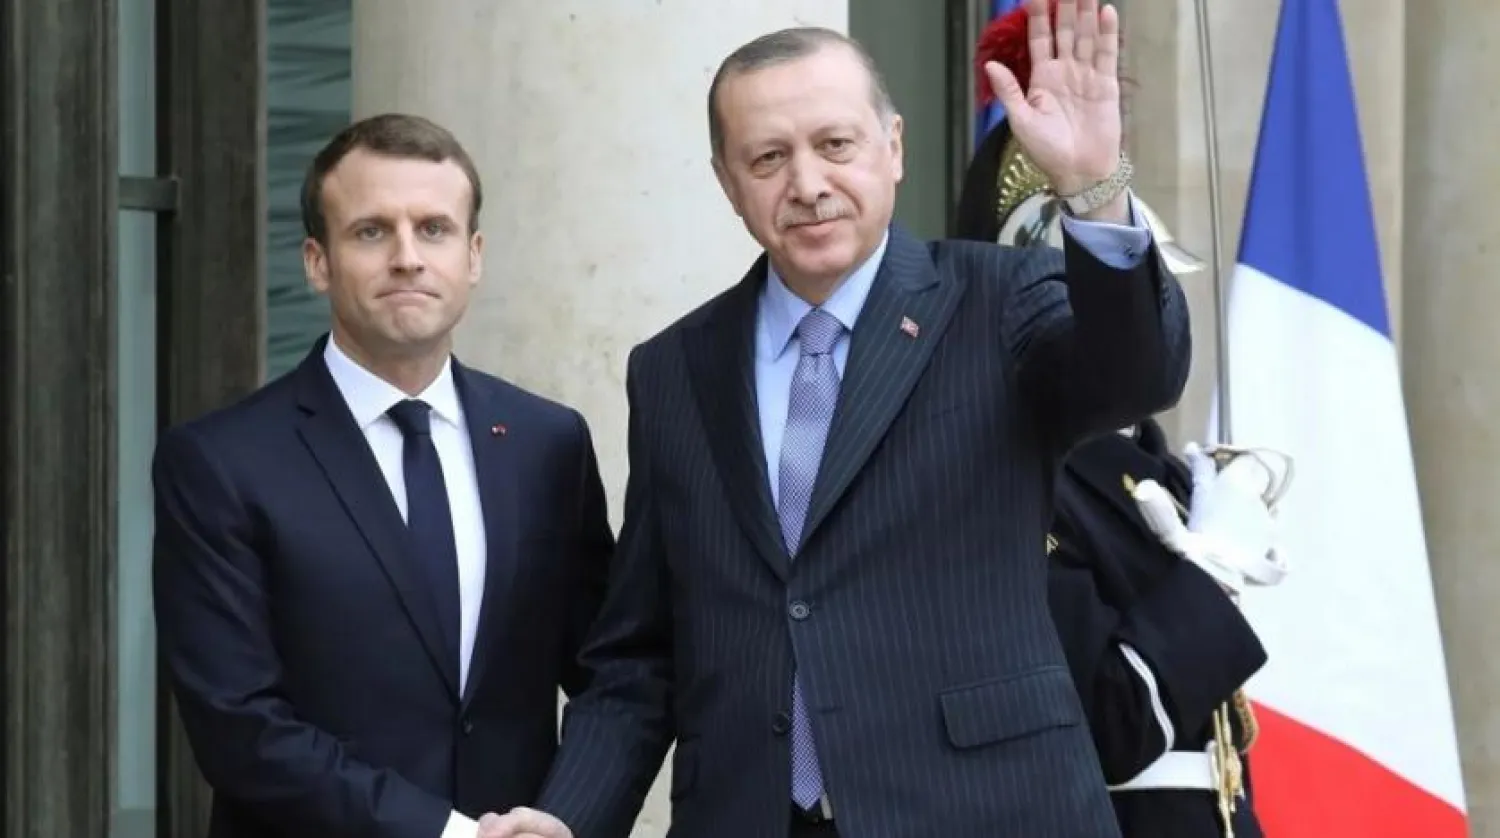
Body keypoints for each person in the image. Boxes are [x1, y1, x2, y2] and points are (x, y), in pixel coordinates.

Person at [490, 1, 1190, 835]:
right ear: (727, 182)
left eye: (835, 145)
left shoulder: (998, 301)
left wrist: (1093, 196)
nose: (808, 185)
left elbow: (1135, 376)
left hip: (984, 810)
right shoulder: (675, 368)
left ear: (892, 147)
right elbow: (644, 651)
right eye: (769, 158)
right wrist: (567, 816)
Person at [151, 113, 614, 838]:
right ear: (316, 261)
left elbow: (608, 673)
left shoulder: (547, 442)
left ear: (474, 255)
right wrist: (450, 834)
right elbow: (238, 726)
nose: (407, 257)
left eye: (434, 229)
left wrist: (567, 815)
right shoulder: (220, 464)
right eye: (371, 231)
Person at [955, 5, 1286, 834]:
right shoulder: (1022, 471)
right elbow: (1112, 720)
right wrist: (1210, 573)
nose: (1129, 329)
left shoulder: (1160, 472)